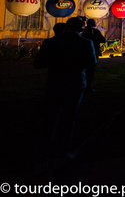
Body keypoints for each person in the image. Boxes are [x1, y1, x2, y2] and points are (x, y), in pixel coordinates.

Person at [34, 17, 97, 158]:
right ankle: (63, 149)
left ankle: (45, 146)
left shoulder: (50, 42)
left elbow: (38, 63)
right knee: (69, 116)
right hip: (75, 82)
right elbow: (91, 64)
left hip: (54, 81)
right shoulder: (86, 43)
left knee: (51, 114)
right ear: (81, 28)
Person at [81, 18, 106, 92]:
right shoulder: (95, 31)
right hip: (94, 51)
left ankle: (83, 84)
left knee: (84, 69)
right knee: (91, 70)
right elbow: (103, 40)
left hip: (83, 52)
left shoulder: (83, 31)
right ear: (93, 24)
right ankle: (88, 86)